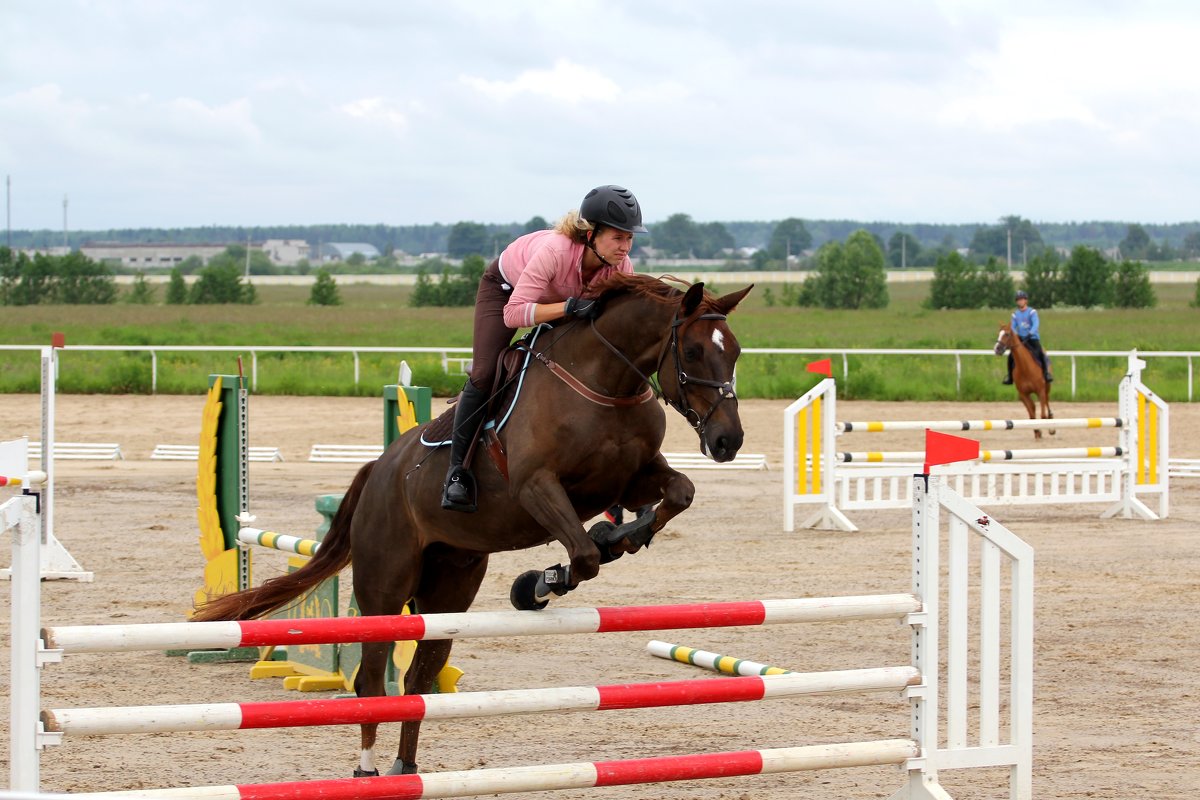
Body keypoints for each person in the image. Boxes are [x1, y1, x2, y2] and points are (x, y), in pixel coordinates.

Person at [441, 185, 647, 512]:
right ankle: (457, 472)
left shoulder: (620, 265)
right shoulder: (556, 251)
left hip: (557, 299)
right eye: (618, 238)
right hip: (506, 291)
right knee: (485, 371)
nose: (626, 247)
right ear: (591, 234)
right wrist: (568, 308)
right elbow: (515, 313)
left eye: (630, 239)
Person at [1004, 290, 1052, 385]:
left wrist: (1030, 333)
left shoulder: (1032, 312)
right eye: (1018, 300)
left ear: (1026, 301)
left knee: (1040, 352)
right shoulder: (1015, 314)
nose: (1020, 301)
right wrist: (1016, 335)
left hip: (1032, 338)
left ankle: (1046, 374)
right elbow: (1013, 327)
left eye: (1022, 299)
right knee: (1010, 356)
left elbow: (1036, 324)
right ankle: (1010, 377)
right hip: (1020, 339)